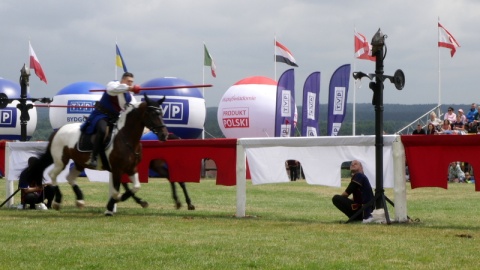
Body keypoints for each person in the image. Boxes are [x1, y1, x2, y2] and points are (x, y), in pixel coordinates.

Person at [81, 72, 141, 167]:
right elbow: (111, 90)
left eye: (132, 82)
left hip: (115, 118)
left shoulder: (130, 97)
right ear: (123, 80)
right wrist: (129, 88)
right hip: (101, 115)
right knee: (102, 130)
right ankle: (93, 157)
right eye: (128, 81)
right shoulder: (113, 84)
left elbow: (135, 107)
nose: (130, 83)